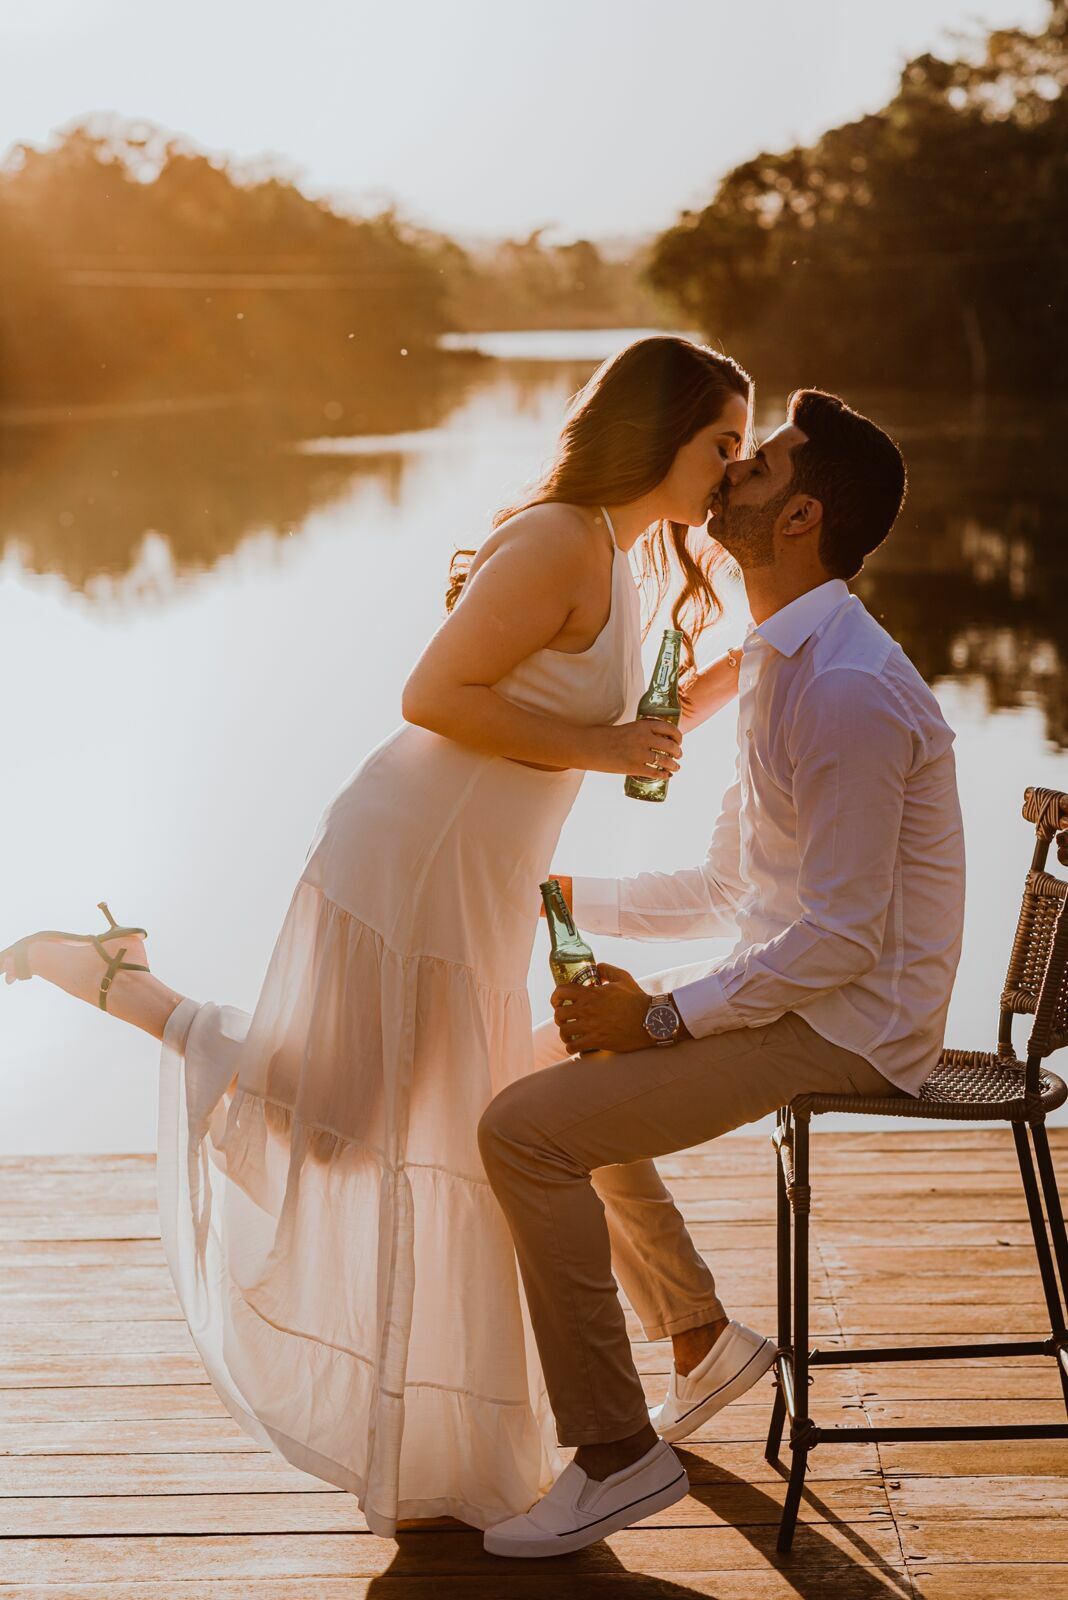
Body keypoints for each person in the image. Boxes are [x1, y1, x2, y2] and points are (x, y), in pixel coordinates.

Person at [1, 336, 751, 1537]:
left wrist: (759, 660)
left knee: (468, 1127)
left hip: (476, 886)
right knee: (346, 1127)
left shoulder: (622, 556)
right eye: (722, 442)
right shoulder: (558, 538)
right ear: (660, 433)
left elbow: (622, 722)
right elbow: (431, 696)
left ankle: (606, 1391)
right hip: (406, 866)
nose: (733, 466)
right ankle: (119, 979)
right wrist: (605, 748)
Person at [477, 388, 967, 1558]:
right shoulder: (782, 659)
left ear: (799, 517)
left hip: (854, 1026)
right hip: (808, 987)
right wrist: (549, 888)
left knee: (522, 1134)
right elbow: (725, 886)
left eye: (760, 465)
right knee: (542, 1064)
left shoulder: (845, 689)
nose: (731, 470)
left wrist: (658, 1018)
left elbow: (841, 940)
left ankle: (616, 1454)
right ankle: (699, 1337)